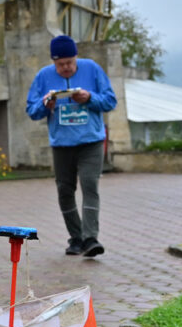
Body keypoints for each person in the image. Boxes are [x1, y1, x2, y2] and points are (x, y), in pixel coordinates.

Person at [26, 35, 117, 258]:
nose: (66, 68)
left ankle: (90, 238)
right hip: (62, 144)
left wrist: (89, 98)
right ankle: (76, 238)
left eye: (70, 63)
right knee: (65, 191)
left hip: (91, 142)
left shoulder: (92, 69)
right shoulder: (43, 76)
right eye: (60, 64)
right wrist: (46, 104)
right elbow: (32, 110)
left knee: (89, 185)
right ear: (53, 62)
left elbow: (110, 101)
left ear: (76, 58)